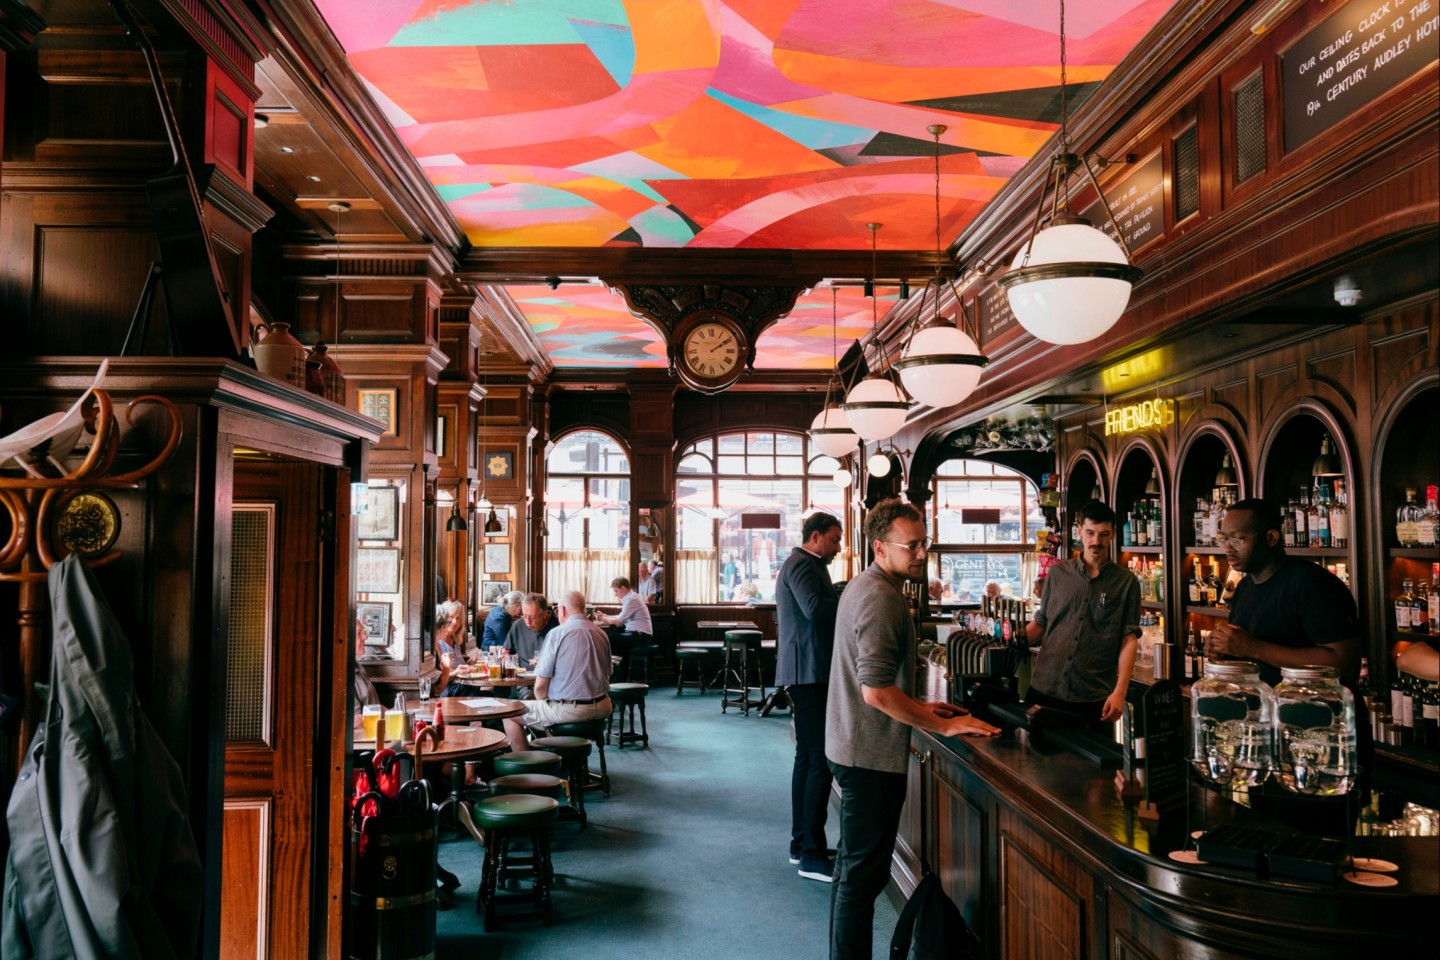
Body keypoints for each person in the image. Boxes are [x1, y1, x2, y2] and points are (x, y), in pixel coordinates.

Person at [826, 498, 999, 959]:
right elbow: (877, 692)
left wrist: (924, 707)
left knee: (853, 873)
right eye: (913, 546)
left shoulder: (868, 585)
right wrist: (944, 728)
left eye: (925, 543)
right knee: (861, 880)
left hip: (853, 745)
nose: (922, 553)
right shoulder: (880, 598)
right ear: (881, 547)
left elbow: (883, 685)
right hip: (868, 753)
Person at [1205, 497, 1360, 685]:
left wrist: (1254, 648)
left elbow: (1344, 661)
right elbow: (1245, 652)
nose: (1228, 548)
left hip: (1312, 709)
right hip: (1264, 707)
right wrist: (1222, 649)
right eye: (1225, 539)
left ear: (1271, 538)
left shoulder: (1312, 583)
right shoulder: (1244, 586)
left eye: (1238, 539)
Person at [1024, 500, 1141, 725]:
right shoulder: (1057, 574)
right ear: (1079, 531)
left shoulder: (1126, 582)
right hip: (1044, 688)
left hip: (1093, 697)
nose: (1096, 541)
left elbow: (1129, 638)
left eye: (1103, 534)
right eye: (1090, 533)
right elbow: (1041, 624)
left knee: (1091, 760)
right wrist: (1006, 637)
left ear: (1113, 534)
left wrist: (1120, 692)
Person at [775, 511, 844, 882]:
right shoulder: (803, 564)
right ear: (815, 537)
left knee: (807, 759)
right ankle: (812, 856)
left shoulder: (804, 562)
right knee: (819, 760)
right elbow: (815, 610)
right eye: (834, 539)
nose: (837, 547)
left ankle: (801, 844)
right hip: (809, 672)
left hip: (806, 671)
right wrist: (851, 596)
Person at [503, 590, 613, 752]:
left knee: (509, 712)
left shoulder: (557, 634)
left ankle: (528, 769)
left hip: (571, 711)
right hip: (603, 706)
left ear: (561, 610)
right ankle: (555, 752)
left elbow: (540, 689)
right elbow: (608, 673)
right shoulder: (601, 633)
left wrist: (546, 701)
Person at [596, 575, 653, 678]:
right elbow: (621, 617)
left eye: (616, 591)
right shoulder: (632, 597)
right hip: (638, 635)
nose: (615, 594)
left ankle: (615, 675)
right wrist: (605, 616)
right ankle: (620, 676)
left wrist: (603, 619)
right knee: (616, 644)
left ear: (623, 588)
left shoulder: (632, 599)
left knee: (607, 637)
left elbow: (618, 622)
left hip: (640, 636)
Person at [504, 593, 556, 700]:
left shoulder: (558, 627)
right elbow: (506, 651)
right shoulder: (518, 625)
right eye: (524, 615)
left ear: (545, 614)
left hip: (551, 680)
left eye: (532, 617)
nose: (527, 622)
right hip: (523, 681)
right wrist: (509, 663)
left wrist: (544, 662)